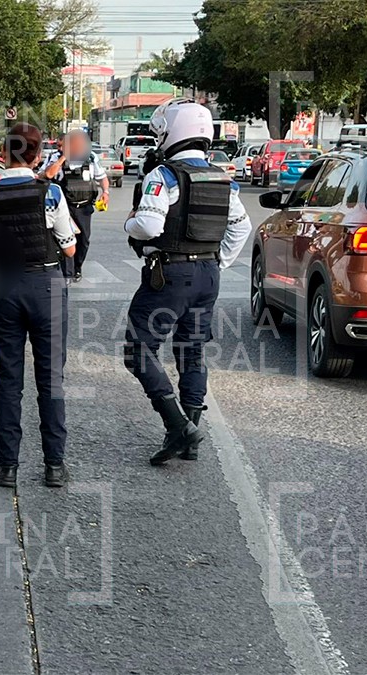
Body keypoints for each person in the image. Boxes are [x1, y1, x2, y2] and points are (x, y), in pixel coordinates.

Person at [122, 98, 252, 466]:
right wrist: (217, 262)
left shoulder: (163, 175)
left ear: (173, 133)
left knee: (138, 350)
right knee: (191, 353)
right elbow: (241, 226)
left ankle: (178, 425)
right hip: (208, 275)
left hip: (170, 275)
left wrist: (129, 224)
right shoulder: (223, 178)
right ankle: (190, 438)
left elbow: (148, 226)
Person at [0, 122, 78, 488]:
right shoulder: (50, 194)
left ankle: (8, 465)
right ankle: (54, 465)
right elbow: (69, 247)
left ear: (3, 155)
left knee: (8, 378)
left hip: (3, 288)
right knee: (51, 378)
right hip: (45, 287)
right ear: (37, 156)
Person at [40, 129, 108, 281]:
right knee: (66, 237)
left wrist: (106, 192)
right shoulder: (55, 158)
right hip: (66, 208)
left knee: (84, 240)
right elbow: (48, 175)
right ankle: (68, 273)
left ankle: (77, 267)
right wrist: (63, 157)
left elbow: (102, 178)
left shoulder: (91, 158)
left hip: (84, 207)